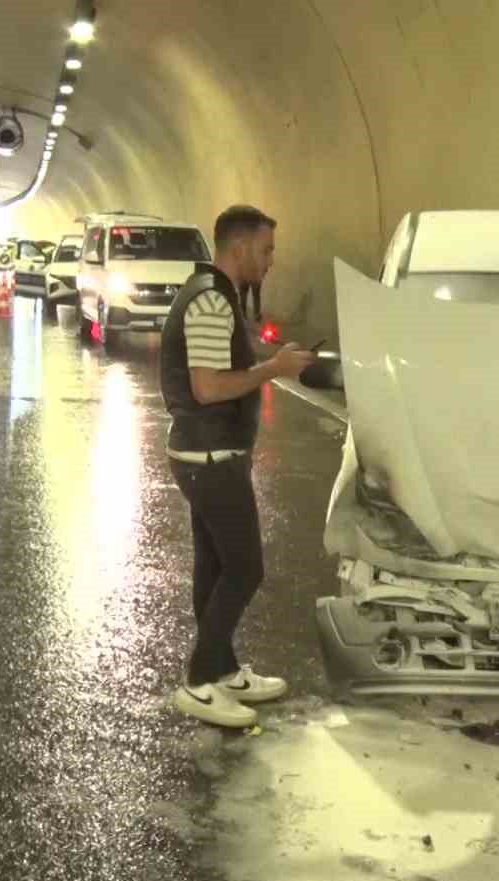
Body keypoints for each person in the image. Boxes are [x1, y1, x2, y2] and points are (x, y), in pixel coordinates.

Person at [159, 205, 315, 728]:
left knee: (217, 565)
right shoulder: (209, 301)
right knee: (246, 568)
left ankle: (222, 669)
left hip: (207, 453)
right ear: (239, 247)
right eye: (266, 250)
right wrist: (273, 369)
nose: (271, 260)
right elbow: (207, 388)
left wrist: (269, 363)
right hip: (209, 454)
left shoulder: (215, 294)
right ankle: (200, 681)